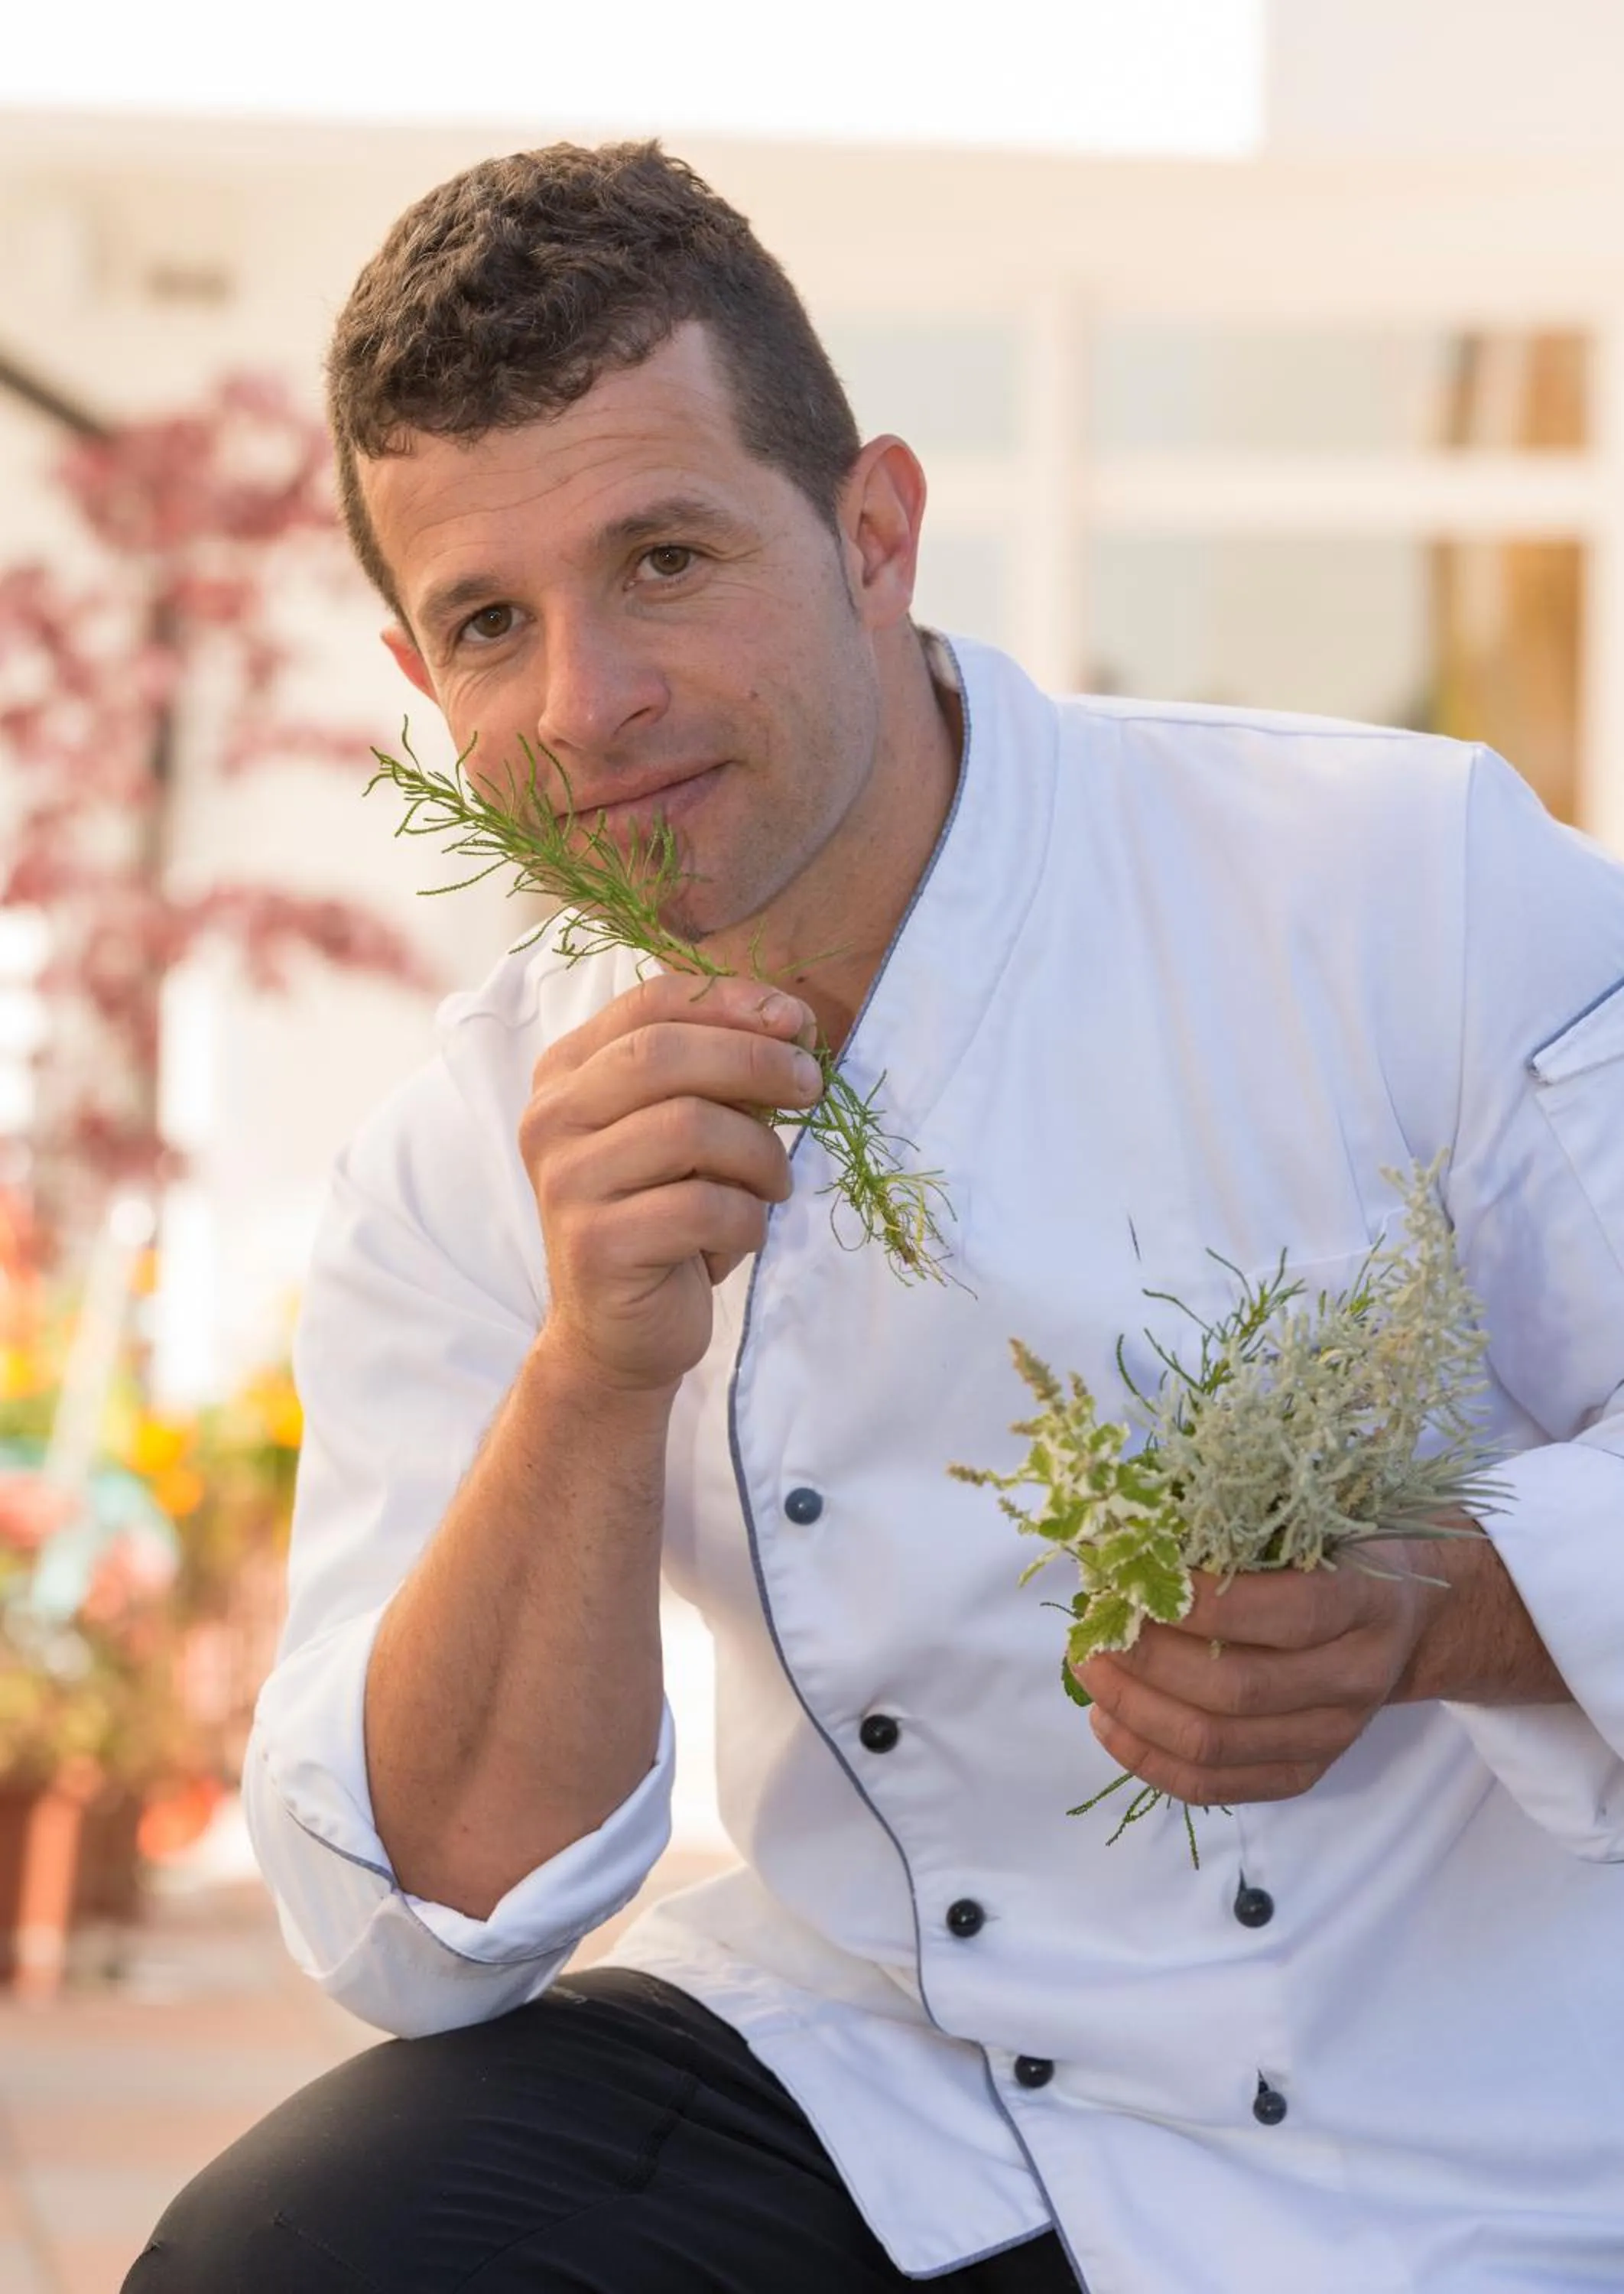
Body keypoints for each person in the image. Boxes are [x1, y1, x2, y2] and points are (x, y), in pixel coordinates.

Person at [125, 144, 1624, 2293]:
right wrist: (592, 1372)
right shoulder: (471, 1146)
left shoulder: (1397, 883)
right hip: (913, 2093)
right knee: (308, 2248)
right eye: (489, 623)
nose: (583, 704)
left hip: (1470, 2121)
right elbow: (432, 1916)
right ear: (415, 675)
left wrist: (1442, 1608)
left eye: (660, 559)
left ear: (874, 533)